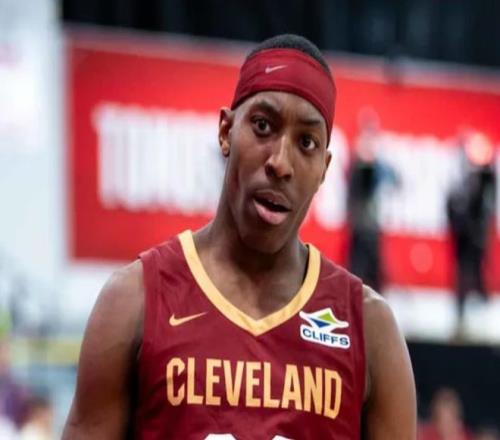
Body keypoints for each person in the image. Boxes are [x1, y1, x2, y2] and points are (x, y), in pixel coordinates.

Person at [63, 34, 416, 439]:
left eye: (306, 143)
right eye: (263, 126)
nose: (280, 163)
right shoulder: (134, 300)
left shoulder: (370, 329)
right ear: (226, 131)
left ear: (324, 168)